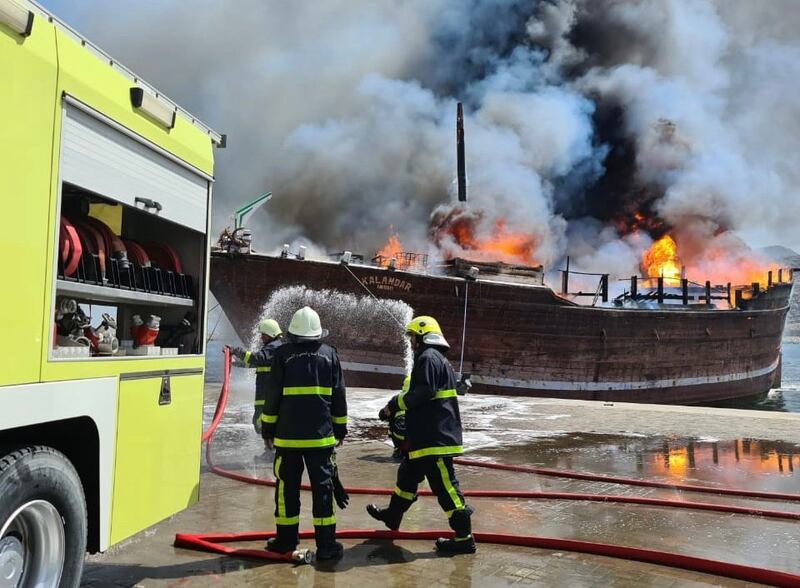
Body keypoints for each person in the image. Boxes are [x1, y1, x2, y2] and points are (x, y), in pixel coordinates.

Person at [367, 316, 476, 555]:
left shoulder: (428, 358)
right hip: (426, 437)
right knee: (407, 475)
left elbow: (422, 392)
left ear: (422, 336)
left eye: (412, 337)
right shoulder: (437, 359)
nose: (411, 342)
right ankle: (392, 517)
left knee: (445, 488)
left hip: (434, 440)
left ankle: (464, 537)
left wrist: (393, 406)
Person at [261, 306, 348, 560]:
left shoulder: (282, 354)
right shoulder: (330, 355)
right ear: (318, 333)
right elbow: (339, 394)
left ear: (291, 333)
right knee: (323, 489)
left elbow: (273, 394)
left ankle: (286, 541)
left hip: (287, 438)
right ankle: (327, 546)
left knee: (287, 488)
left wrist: (268, 428)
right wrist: (340, 427)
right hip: (321, 438)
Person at [231, 318, 284, 434]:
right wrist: (237, 363)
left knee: (261, 422)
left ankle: (271, 447)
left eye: (264, 335)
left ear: (271, 334)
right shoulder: (273, 347)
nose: (261, 338)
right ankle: (270, 447)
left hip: (267, 393)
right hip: (265, 392)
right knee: (260, 422)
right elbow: (259, 362)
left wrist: (238, 352)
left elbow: (258, 358)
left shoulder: (273, 348)